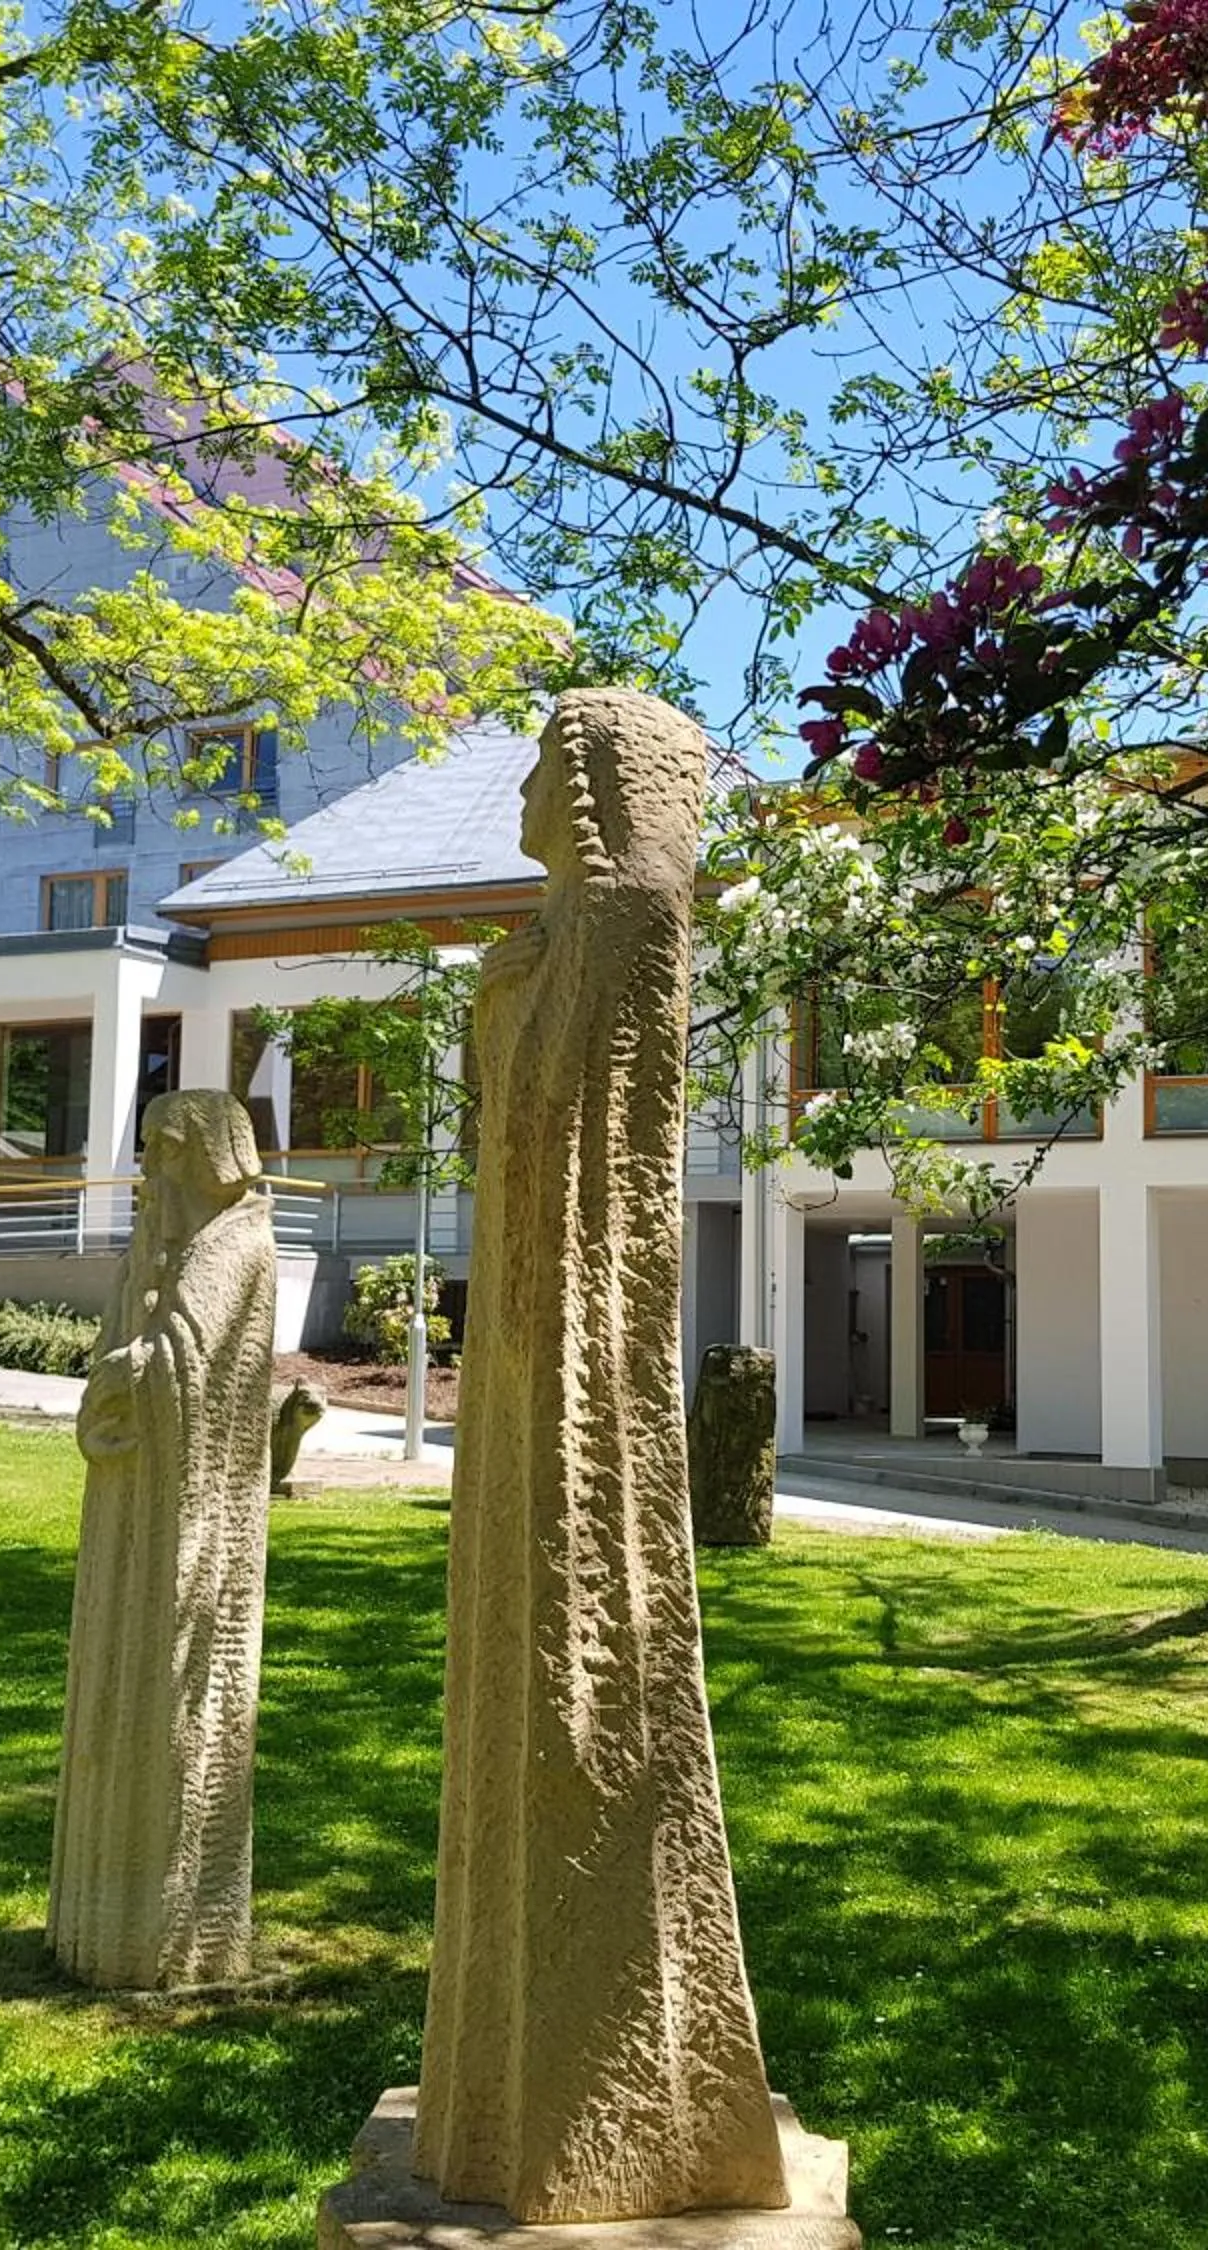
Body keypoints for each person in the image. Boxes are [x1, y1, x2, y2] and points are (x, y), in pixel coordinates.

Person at [414, 690, 788, 2223]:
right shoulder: (555, 936)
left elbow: (584, 1139)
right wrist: (501, 1000)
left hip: (577, 1363)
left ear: (590, 784)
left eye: (538, 764)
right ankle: (511, 2095)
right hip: (527, 1353)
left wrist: (512, 1005)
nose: (517, 790)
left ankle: (621, 2105)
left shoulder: (625, 923)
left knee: (586, 1693)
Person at [47, 1090, 277, 1988]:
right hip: (131, 1509)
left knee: (180, 1699)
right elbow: (127, 1338)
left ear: (211, 1156)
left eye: (166, 1149)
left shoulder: (237, 1245)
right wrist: (115, 1372)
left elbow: (195, 1362)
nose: (149, 1169)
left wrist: (134, 1369)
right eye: (145, 1148)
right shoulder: (154, 1242)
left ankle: (174, 1935)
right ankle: (93, 1917)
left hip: (195, 1517)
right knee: (119, 1680)